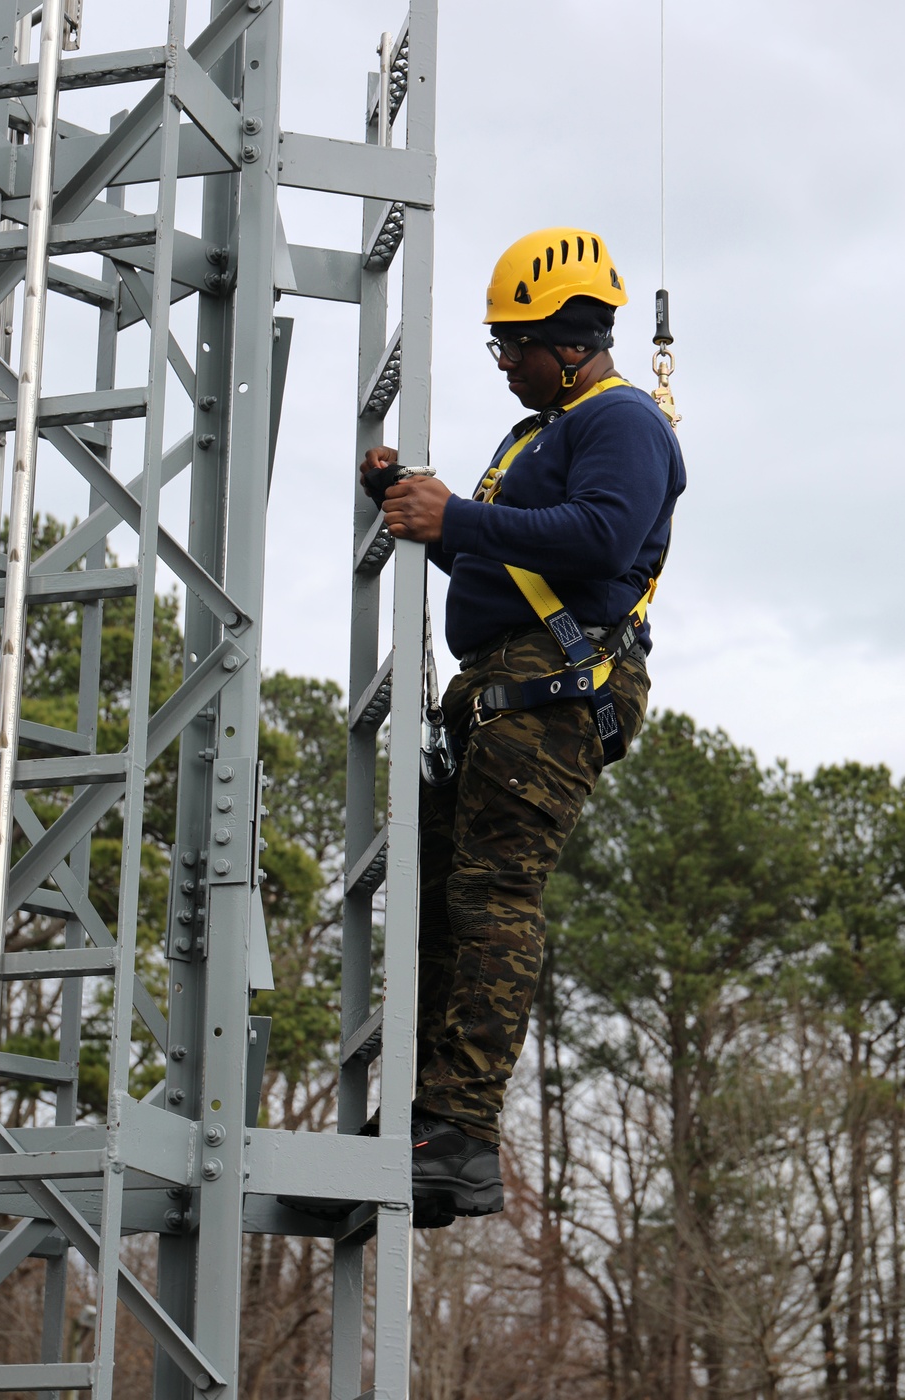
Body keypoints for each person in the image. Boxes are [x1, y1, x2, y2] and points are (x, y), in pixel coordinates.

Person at [360, 227, 686, 1225]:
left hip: (553, 691)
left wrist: (453, 517)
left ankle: (458, 1131)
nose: (504, 362)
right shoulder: (537, 435)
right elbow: (510, 564)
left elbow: (601, 537)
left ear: (571, 342)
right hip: (504, 688)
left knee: (493, 897)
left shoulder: (622, 421)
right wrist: (412, 507)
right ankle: (425, 1116)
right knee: (441, 898)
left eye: (514, 344)